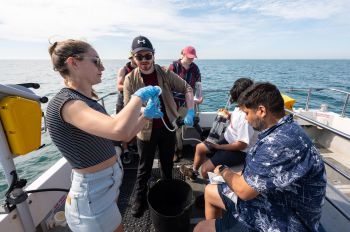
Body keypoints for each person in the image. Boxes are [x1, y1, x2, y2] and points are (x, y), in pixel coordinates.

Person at [46, 39, 163, 232]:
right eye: (95, 61)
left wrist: (145, 117)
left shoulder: (85, 101)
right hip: (92, 198)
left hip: (104, 190)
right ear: (73, 63)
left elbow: (122, 136)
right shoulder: (68, 104)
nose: (102, 67)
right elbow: (119, 129)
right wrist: (138, 96)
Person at [194, 82, 327, 232]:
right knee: (211, 191)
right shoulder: (286, 128)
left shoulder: (278, 143)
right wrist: (236, 175)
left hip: (284, 219)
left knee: (200, 228)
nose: (245, 119)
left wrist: (223, 171)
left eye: (247, 113)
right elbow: (261, 174)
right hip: (275, 197)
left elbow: (244, 192)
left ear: (261, 111)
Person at [123, 35, 195, 217]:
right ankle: (139, 198)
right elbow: (127, 108)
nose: (145, 60)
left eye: (148, 56)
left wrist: (190, 111)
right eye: (140, 57)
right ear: (133, 58)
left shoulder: (164, 73)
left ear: (153, 55)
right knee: (144, 167)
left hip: (167, 128)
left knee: (167, 164)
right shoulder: (130, 80)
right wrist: (144, 110)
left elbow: (187, 88)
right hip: (144, 131)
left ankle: (168, 192)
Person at [180, 78, 257, 181]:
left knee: (204, 170)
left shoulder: (246, 118)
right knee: (199, 147)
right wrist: (229, 116)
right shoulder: (240, 107)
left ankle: (214, 189)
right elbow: (237, 121)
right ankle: (193, 172)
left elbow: (242, 145)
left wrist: (219, 146)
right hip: (227, 141)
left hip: (239, 151)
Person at [169, 46, 203, 162]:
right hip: (174, 102)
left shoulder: (195, 68)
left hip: (187, 103)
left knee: (182, 126)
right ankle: (175, 151)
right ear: (182, 54)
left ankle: (179, 149)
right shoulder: (174, 67)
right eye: (189, 57)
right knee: (173, 127)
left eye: (193, 58)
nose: (191, 60)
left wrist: (199, 97)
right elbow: (167, 85)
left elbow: (198, 84)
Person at [116, 53, 137, 165]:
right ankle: (125, 149)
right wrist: (132, 87)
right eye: (137, 56)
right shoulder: (123, 69)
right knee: (124, 126)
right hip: (123, 102)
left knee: (135, 125)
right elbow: (119, 86)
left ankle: (133, 145)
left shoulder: (141, 69)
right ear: (131, 58)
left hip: (136, 102)